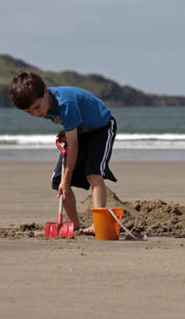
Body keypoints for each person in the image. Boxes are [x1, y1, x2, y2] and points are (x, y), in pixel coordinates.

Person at [9, 70, 117, 236]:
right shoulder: (44, 104)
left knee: (93, 172)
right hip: (82, 130)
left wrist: (67, 181)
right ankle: (74, 224)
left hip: (102, 127)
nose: (36, 113)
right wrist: (67, 130)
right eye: (29, 112)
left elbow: (73, 146)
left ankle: (99, 223)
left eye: (37, 107)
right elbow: (71, 128)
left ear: (46, 92)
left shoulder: (66, 104)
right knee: (58, 179)